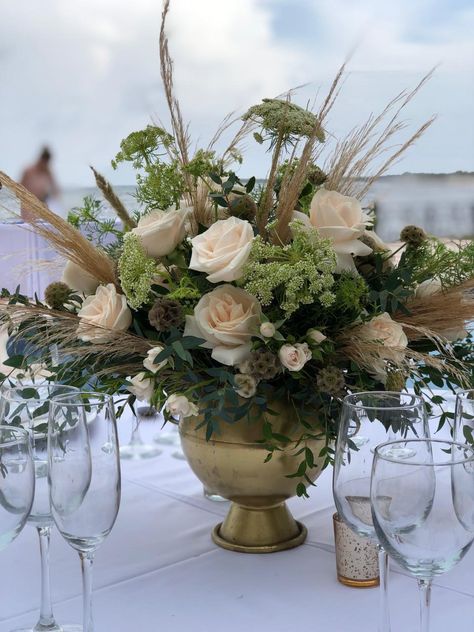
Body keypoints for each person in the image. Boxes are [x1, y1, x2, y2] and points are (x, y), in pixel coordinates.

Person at [20, 146, 60, 220]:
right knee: (29, 226)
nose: (44, 164)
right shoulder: (28, 171)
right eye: (43, 162)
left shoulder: (48, 172)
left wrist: (55, 203)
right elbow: (19, 188)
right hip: (28, 204)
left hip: (42, 204)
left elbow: (56, 190)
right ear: (40, 159)